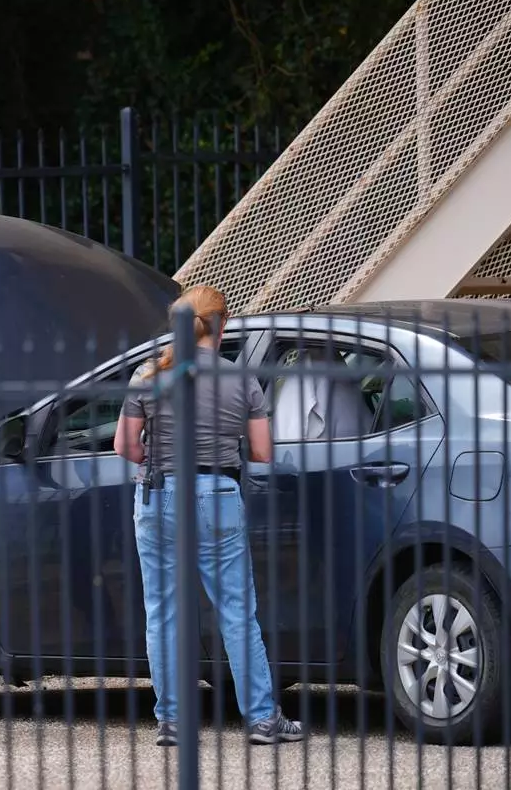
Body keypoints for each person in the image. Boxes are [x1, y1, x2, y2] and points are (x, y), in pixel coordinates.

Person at [113, 285, 304, 747]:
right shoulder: (241, 378)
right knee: (237, 612)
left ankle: (172, 722)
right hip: (218, 494)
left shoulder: (149, 374)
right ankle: (262, 719)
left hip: (158, 495)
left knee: (162, 613)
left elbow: (125, 446)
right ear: (221, 326)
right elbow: (262, 451)